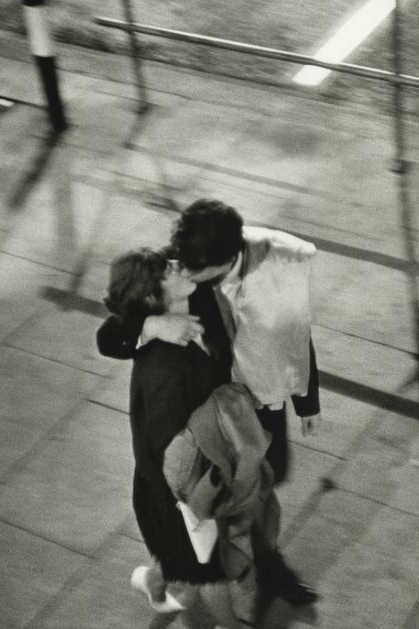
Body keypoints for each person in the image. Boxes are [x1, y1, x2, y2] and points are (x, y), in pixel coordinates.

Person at [97, 199, 320, 606]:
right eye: (176, 261)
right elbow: (108, 335)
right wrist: (152, 324)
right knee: (210, 529)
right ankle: (172, 579)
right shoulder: (182, 266)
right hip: (210, 426)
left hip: (257, 413)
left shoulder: (271, 270)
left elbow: (295, 334)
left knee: (263, 498)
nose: (180, 268)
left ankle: (267, 567)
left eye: (190, 267)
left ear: (223, 263)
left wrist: (307, 401)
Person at [105, 248, 240, 625]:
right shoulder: (164, 365)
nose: (178, 264)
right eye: (168, 269)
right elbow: (174, 455)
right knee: (207, 573)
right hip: (180, 492)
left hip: (190, 481)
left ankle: (155, 579)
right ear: (153, 298)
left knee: (187, 568)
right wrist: (208, 494)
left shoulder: (189, 299)